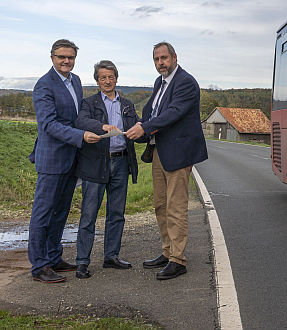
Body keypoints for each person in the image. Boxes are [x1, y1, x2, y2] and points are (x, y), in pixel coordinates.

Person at [28, 39, 101, 283]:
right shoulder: (44, 86)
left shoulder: (76, 81)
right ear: (52, 58)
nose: (66, 61)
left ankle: (53, 257)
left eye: (70, 57)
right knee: (43, 213)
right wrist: (81, 136)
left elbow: (77, 117)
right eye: (61, 57)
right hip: (51, 159)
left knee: (61, 212)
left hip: (72, 158)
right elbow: (48, 125)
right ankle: (39, 266)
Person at [135, 41, 208, 280]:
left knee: (175, 208)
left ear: (174, 57)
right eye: (156, 59)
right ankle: (167, 252)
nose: (160, 63)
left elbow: (173, 113)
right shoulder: (160, 83)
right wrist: (139, 125)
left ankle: (178, 260)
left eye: (164, 58)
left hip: (178, 153)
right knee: (160, 205)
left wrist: (145, 127)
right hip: (159, 151)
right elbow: (152, 110)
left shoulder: (185, 82)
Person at [73, 60, 141, 279]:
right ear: (97, 80)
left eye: (111, 77)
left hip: (121, 163)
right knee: (89, 214)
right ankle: (82, 261)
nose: (107, 81)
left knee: (117, 213)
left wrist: (145, 131)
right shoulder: (89, 103)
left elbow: (138, 127)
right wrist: (102, 126)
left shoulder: (127, 104)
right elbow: (80, 121)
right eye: (103, 77)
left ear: (116, 78)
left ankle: (111, 256)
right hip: (95, 163)